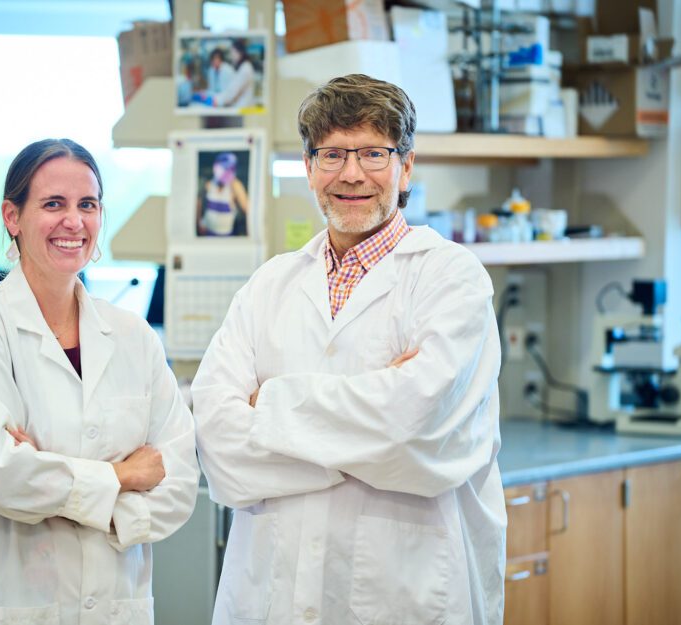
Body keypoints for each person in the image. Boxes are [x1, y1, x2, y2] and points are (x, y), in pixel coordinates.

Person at [191, 74, 506, 624]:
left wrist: (266, 405)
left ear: (406, 166)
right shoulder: (268, 286)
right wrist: (371, 443)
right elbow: (219, 451)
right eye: (333, 154)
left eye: (373, 153)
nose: (352, 174)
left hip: (402, 594)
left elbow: (417, 429)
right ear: (309, 168)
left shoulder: (452, 279)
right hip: (273, 597)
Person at [0, 138, 199, 625]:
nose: (74, 222)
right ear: (13, 217)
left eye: (87, 205)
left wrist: (55, 480)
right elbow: (2, 476)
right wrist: (120, 476)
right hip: (6, 601)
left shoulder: (134, 338)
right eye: (53, 204)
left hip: (113, 605)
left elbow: (178, 484)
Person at [197, 151, 249, 237]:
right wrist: (199, 223)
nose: (227, 173)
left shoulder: (235, 186)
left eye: (231, 169)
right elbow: (198, 203)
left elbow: (248, 210)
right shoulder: (209, 185)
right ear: (215, 167)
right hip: (208, 234)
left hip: (226, 236)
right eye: (224, 168)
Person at [210, 38, 256, 109]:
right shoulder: (243, 67)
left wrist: (217, 100)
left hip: (243, 108)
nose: (231, 56)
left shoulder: (245, 69)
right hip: (239, 107)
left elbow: (232, 92)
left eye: (232, 52)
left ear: (239, 52)